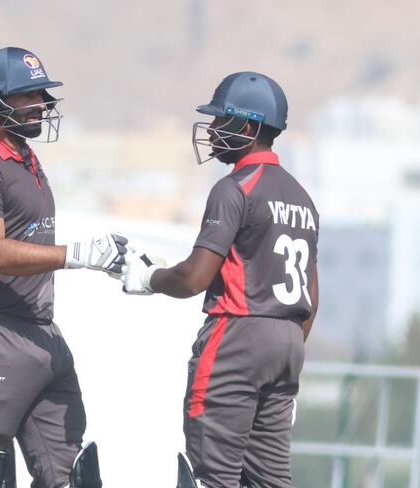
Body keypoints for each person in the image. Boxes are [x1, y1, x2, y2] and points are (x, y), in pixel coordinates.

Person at [0, 47, 125, 488]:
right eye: (26, 95)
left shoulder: (26, 159)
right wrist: (78, 254)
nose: (39, 103)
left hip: (43, 334)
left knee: (72, 479)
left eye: (40, 94)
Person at [123, 72, 320, 488]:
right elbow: (310, 296)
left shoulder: (234, 188)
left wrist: (149, 277)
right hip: (288, 342)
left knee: (213, 477)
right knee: (271, 480)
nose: (212, 130)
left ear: (247, 127)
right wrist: (280, 359)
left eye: (221, 120)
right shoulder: (302, 197)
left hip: (237, 338)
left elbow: (195, 277)